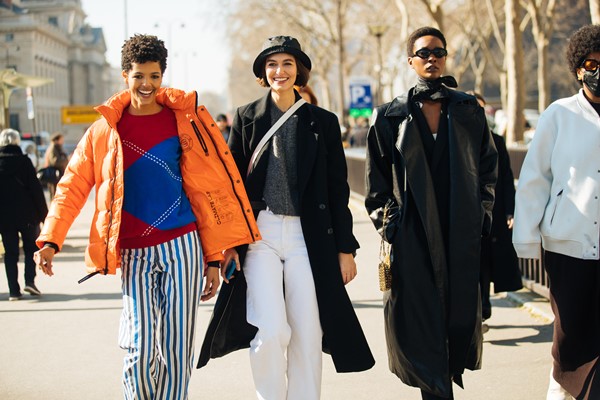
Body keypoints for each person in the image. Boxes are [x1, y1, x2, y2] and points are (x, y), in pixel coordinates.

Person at [33, 34, 260, 399]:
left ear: (162, 76)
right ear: (125, 75)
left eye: (155, 76)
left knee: (175, 349)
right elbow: (72, 185)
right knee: (139, 348)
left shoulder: (183, 121)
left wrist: (215, 257)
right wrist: (50, 239)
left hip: (183, 246)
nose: (147, 85)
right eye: (139, 76)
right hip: (134, 251)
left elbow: (210, 191)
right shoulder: (105, 130)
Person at [198, 35, 374, 400]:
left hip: (307, 238)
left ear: (299, 72)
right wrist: (228, 245)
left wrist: (346, 248)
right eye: (273, 64)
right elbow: (231, 186)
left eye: (288, 64)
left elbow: (337, 189)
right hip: (259, 234)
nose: (280, 71)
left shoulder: (322, 122)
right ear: (264, 72)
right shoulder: (247, 117)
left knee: (308, 332)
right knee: (272, 329)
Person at [365, 26, 497, 400]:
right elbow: (375, 183)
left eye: (438, 52)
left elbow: (489, 169)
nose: (431, 58)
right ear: (410, 62)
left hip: (459, 233)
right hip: (413, 237)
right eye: (423, 53)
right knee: (420, 329)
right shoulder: (389, 116)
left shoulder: (468, 109)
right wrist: (392, 229)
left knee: (457, 323)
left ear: (446, 57)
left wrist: (480, 217)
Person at [513, 24, 600, 400]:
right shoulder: (559, 114)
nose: (597, 70)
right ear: (578, 68)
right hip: (569, 248)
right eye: (590, 63)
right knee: (569, 342)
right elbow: (534, 178)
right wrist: (526, 240)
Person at [467, 91, 522, 330]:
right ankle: (476, 312)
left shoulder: (497, 140)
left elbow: (507, 177)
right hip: (465, 215)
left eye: (481, 109)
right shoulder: (457, 140)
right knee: (472, 264)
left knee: (488, 261)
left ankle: (484, 309)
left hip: (493, 211)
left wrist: (510, 210)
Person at [0, 128, 47, 301]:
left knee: (10, 252)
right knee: (30, 248)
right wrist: (44, 216)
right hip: (27, 215)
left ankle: (13, 291)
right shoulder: (24, 162)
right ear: (17, 142)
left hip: (4, 217)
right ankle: (30, 281)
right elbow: (36, 190)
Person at [43, 132, 69, 200]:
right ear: (56, 140)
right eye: (61, 139)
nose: (62, 141)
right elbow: (54, 162)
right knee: (54, 195)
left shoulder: (58, 148)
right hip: (54, 175)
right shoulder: (53, 148)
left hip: (58, 175)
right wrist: (66, 160)